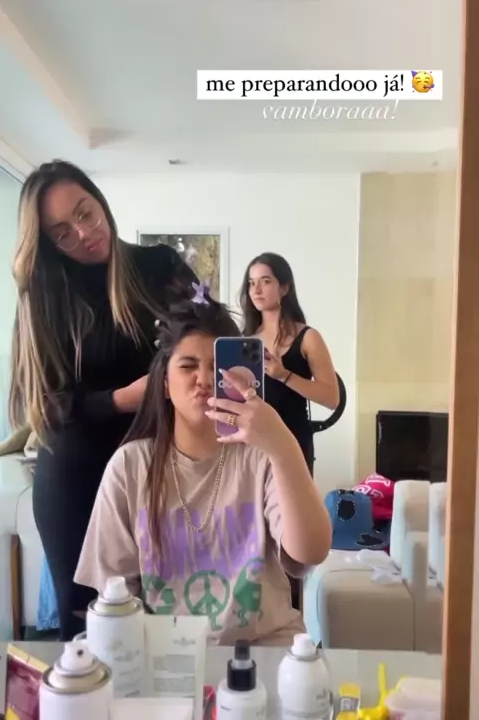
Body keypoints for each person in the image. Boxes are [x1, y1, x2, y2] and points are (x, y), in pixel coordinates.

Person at [74, 289, 332, 646]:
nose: (204, 379)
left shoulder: (261, 458)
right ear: (165, 383)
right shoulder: (130, 467)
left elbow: (312, 551)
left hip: (264, 648)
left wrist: (283, 444)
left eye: (216, 366)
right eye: (188, 366)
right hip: (166, 653)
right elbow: (115, 593)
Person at [9, 159, 197, 641]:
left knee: (172, 627)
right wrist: (119, 400)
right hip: (77, 477)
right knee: (88, 636)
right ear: (48, 243)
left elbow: (210, 335)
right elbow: (46, 405)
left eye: (85, 212)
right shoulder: (46, 294)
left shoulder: (160, 266)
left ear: (98, 199)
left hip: (161, 467)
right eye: (62, 233)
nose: (84, 233)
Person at [240, 252, 340, 475]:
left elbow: (332, 398)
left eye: (265, 281)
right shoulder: (243, 341)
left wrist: (284, 375)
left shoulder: (308, 337)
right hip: (253, 443)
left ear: (284, 288)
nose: (256, 290)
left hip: (294, 441)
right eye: (251, 283)